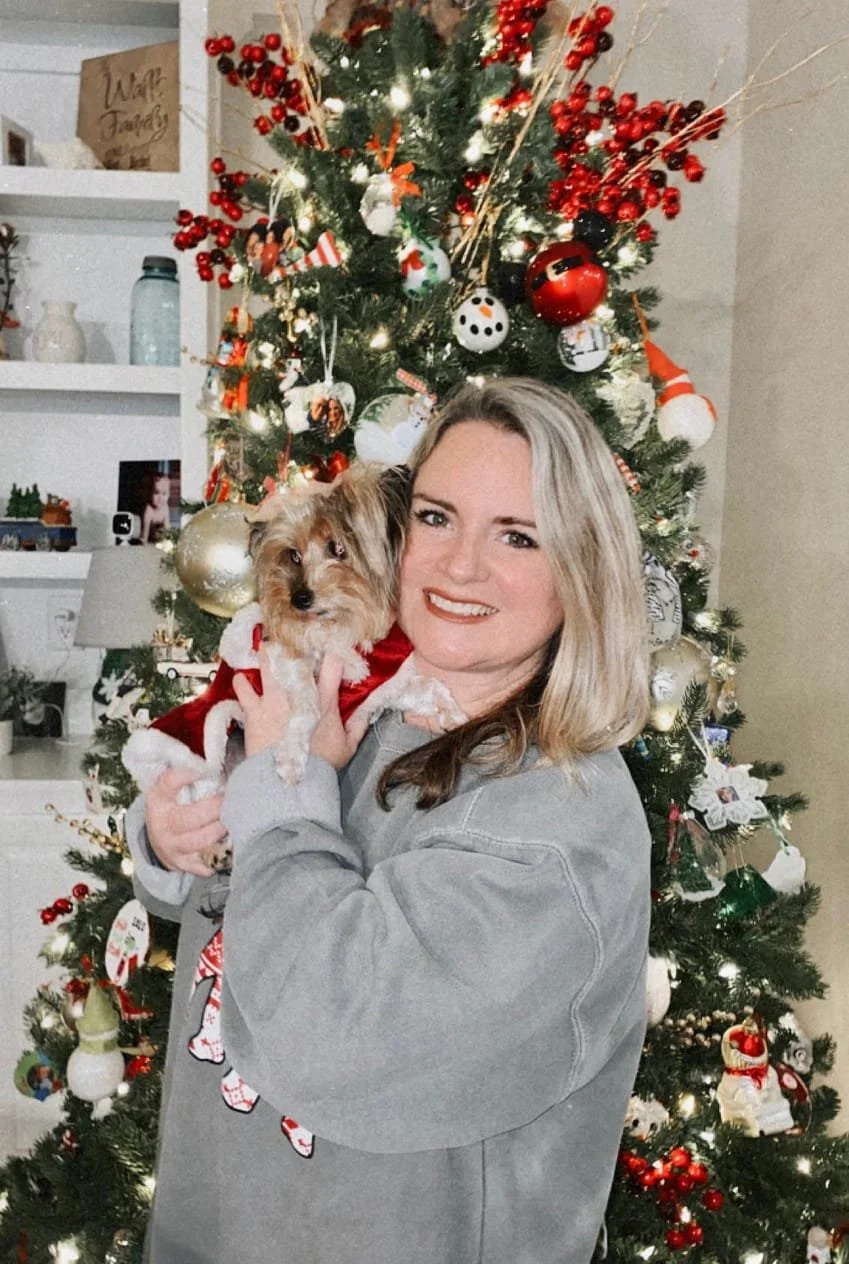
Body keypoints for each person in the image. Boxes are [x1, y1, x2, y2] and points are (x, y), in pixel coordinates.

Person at [126, 377, 652, 1264]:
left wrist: (282, 805)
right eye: (438, 519)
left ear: (582, 572)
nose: (457, 567)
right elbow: (243, 906)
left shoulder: (556, 832)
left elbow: (324, 1033)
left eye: (517, 535)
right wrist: (171, 842)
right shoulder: (360, 714)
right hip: (223, 1223)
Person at [140, 473, 171, 544]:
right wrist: (144, 540)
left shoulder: (165, 507)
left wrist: (170, 540)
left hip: (157, 533)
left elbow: (167, 526)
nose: (160, 498)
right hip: (147, 531)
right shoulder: (149, 509)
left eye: (164, 493)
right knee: (141, 537)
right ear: (150, 493)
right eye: (156, 492)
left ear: (169, 495)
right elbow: (146, 529)